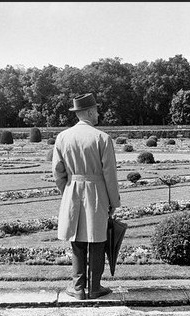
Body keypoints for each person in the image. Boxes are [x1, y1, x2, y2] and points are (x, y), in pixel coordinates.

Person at [51, 93, 121, 300]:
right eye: (97, 110)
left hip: (73, 190)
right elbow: (110, 174)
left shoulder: (63, 137)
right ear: (90, 112)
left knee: (77, 240)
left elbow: (57, 172)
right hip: (97, 191)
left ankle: (78, 287)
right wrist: (113, 201)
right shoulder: (102, 138)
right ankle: (95, 287)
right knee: (98, 239)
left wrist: (68, 192)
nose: (98, 114)